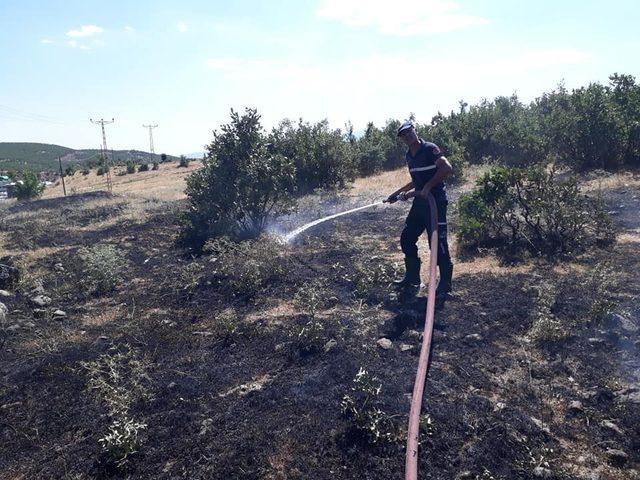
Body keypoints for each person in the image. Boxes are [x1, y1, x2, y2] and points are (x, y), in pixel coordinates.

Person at [385, 121, 454, 307]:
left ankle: (445, 284)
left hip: (436, 202)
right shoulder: (409, 155)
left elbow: (447, 168)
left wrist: (428, 188)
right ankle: (412, 278)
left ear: (415, 131)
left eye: (409, 132)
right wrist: (397, 194)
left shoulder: (429, 149)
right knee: (407, 237)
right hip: (420, 203)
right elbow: (416, 181)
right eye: (404, 135)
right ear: (402, 140)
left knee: (437, 243)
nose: (408, 136)